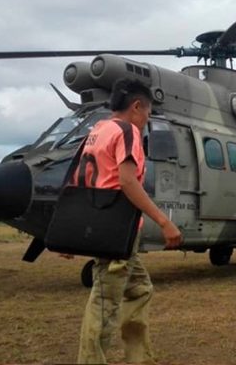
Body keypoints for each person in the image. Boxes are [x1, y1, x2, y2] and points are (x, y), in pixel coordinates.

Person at [75, 78, 183, 364]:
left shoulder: (98, 130)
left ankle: (139, 358)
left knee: (140, 289)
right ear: (136, 106)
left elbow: (82, 181)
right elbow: (127, 182)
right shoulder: (128, 131)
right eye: (148, 113)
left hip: (102, 224)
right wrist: (163, 221)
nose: (147, 120)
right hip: (117, 228)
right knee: (104, 303)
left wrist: (73, 231)